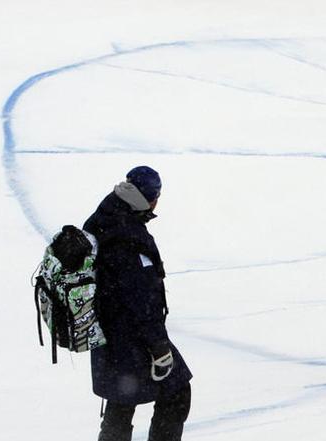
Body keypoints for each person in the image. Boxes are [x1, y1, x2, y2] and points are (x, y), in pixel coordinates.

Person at [84, 166, 192, 441]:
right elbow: (140, 298)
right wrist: (159, 348)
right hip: (129, 337)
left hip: (107, 334)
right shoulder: (127, 235)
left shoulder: (106, 215)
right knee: (176, 390)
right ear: (149, 198)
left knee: (122, 399)